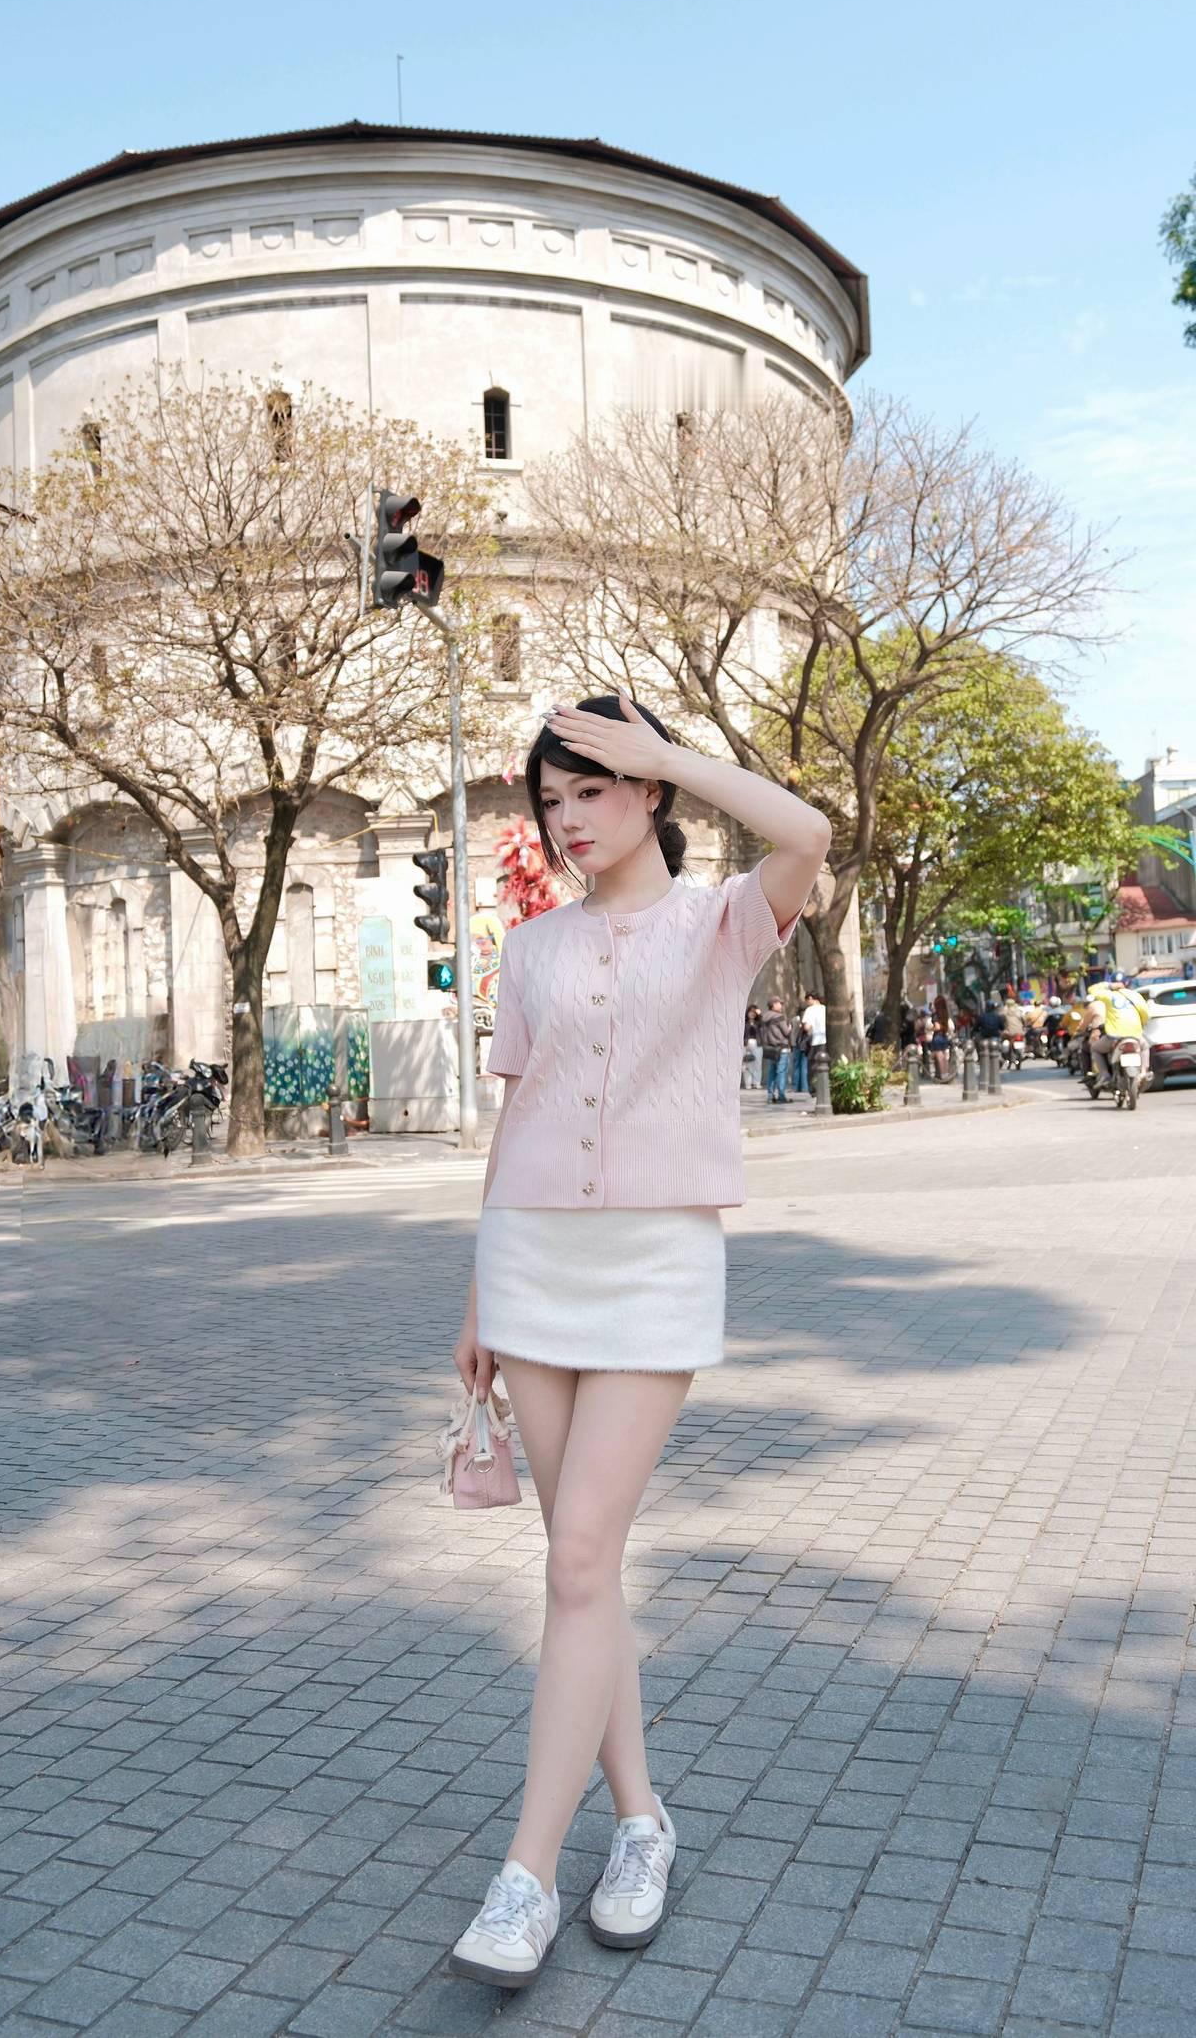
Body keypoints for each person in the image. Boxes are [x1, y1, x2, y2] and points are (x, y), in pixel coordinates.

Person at [449, 690, 830, 1990]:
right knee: (581, 1570)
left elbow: (808, 828)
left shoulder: (723, 921)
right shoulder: (531, 950)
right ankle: (642, 1824)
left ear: (648, 791)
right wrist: (478, 1299)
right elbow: (518, 1117)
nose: (568, 819)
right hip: (532, 1263)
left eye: (594, 789)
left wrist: (667, 749)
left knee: (578, 1560)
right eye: (552, 800)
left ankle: (525, 1875)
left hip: (658, 1264)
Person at [1080, 971, 1150, 1087]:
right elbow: (1145, 1014)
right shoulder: (1136, 996)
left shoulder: (1108, 996)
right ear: (1127, 983)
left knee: (1095, 1048)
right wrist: (1141, 1025)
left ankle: (1105, 1075)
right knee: (1145, 1046)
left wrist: (1109, 986)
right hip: (1135, 1035)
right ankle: (1143, 1072)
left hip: (1115, 1036)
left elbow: (1092, 989)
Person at [759, 995, 794, 1102]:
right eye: (779, 1003)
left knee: (772, 1072)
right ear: (773, 1005)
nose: (781, 1005)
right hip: (781, 1048)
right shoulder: (779, 1017)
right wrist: (790, 1027)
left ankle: (770, 1095)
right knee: (781, 1072)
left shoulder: (765, 1017)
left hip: (770, 1048)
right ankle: (781, 1096)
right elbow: (786, 1032)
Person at [741, 1003, 763, 1090]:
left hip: (757, 1043)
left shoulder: (758, 1023)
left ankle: (756, 1083)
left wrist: (760, 1014)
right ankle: (748, 1083)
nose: (752, 1013)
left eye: (754, 1012)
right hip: (746, 1043)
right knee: (747, 1064)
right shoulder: (743, 1022)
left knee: (757, 1064)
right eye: (751, 1011)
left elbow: (764, 1024)